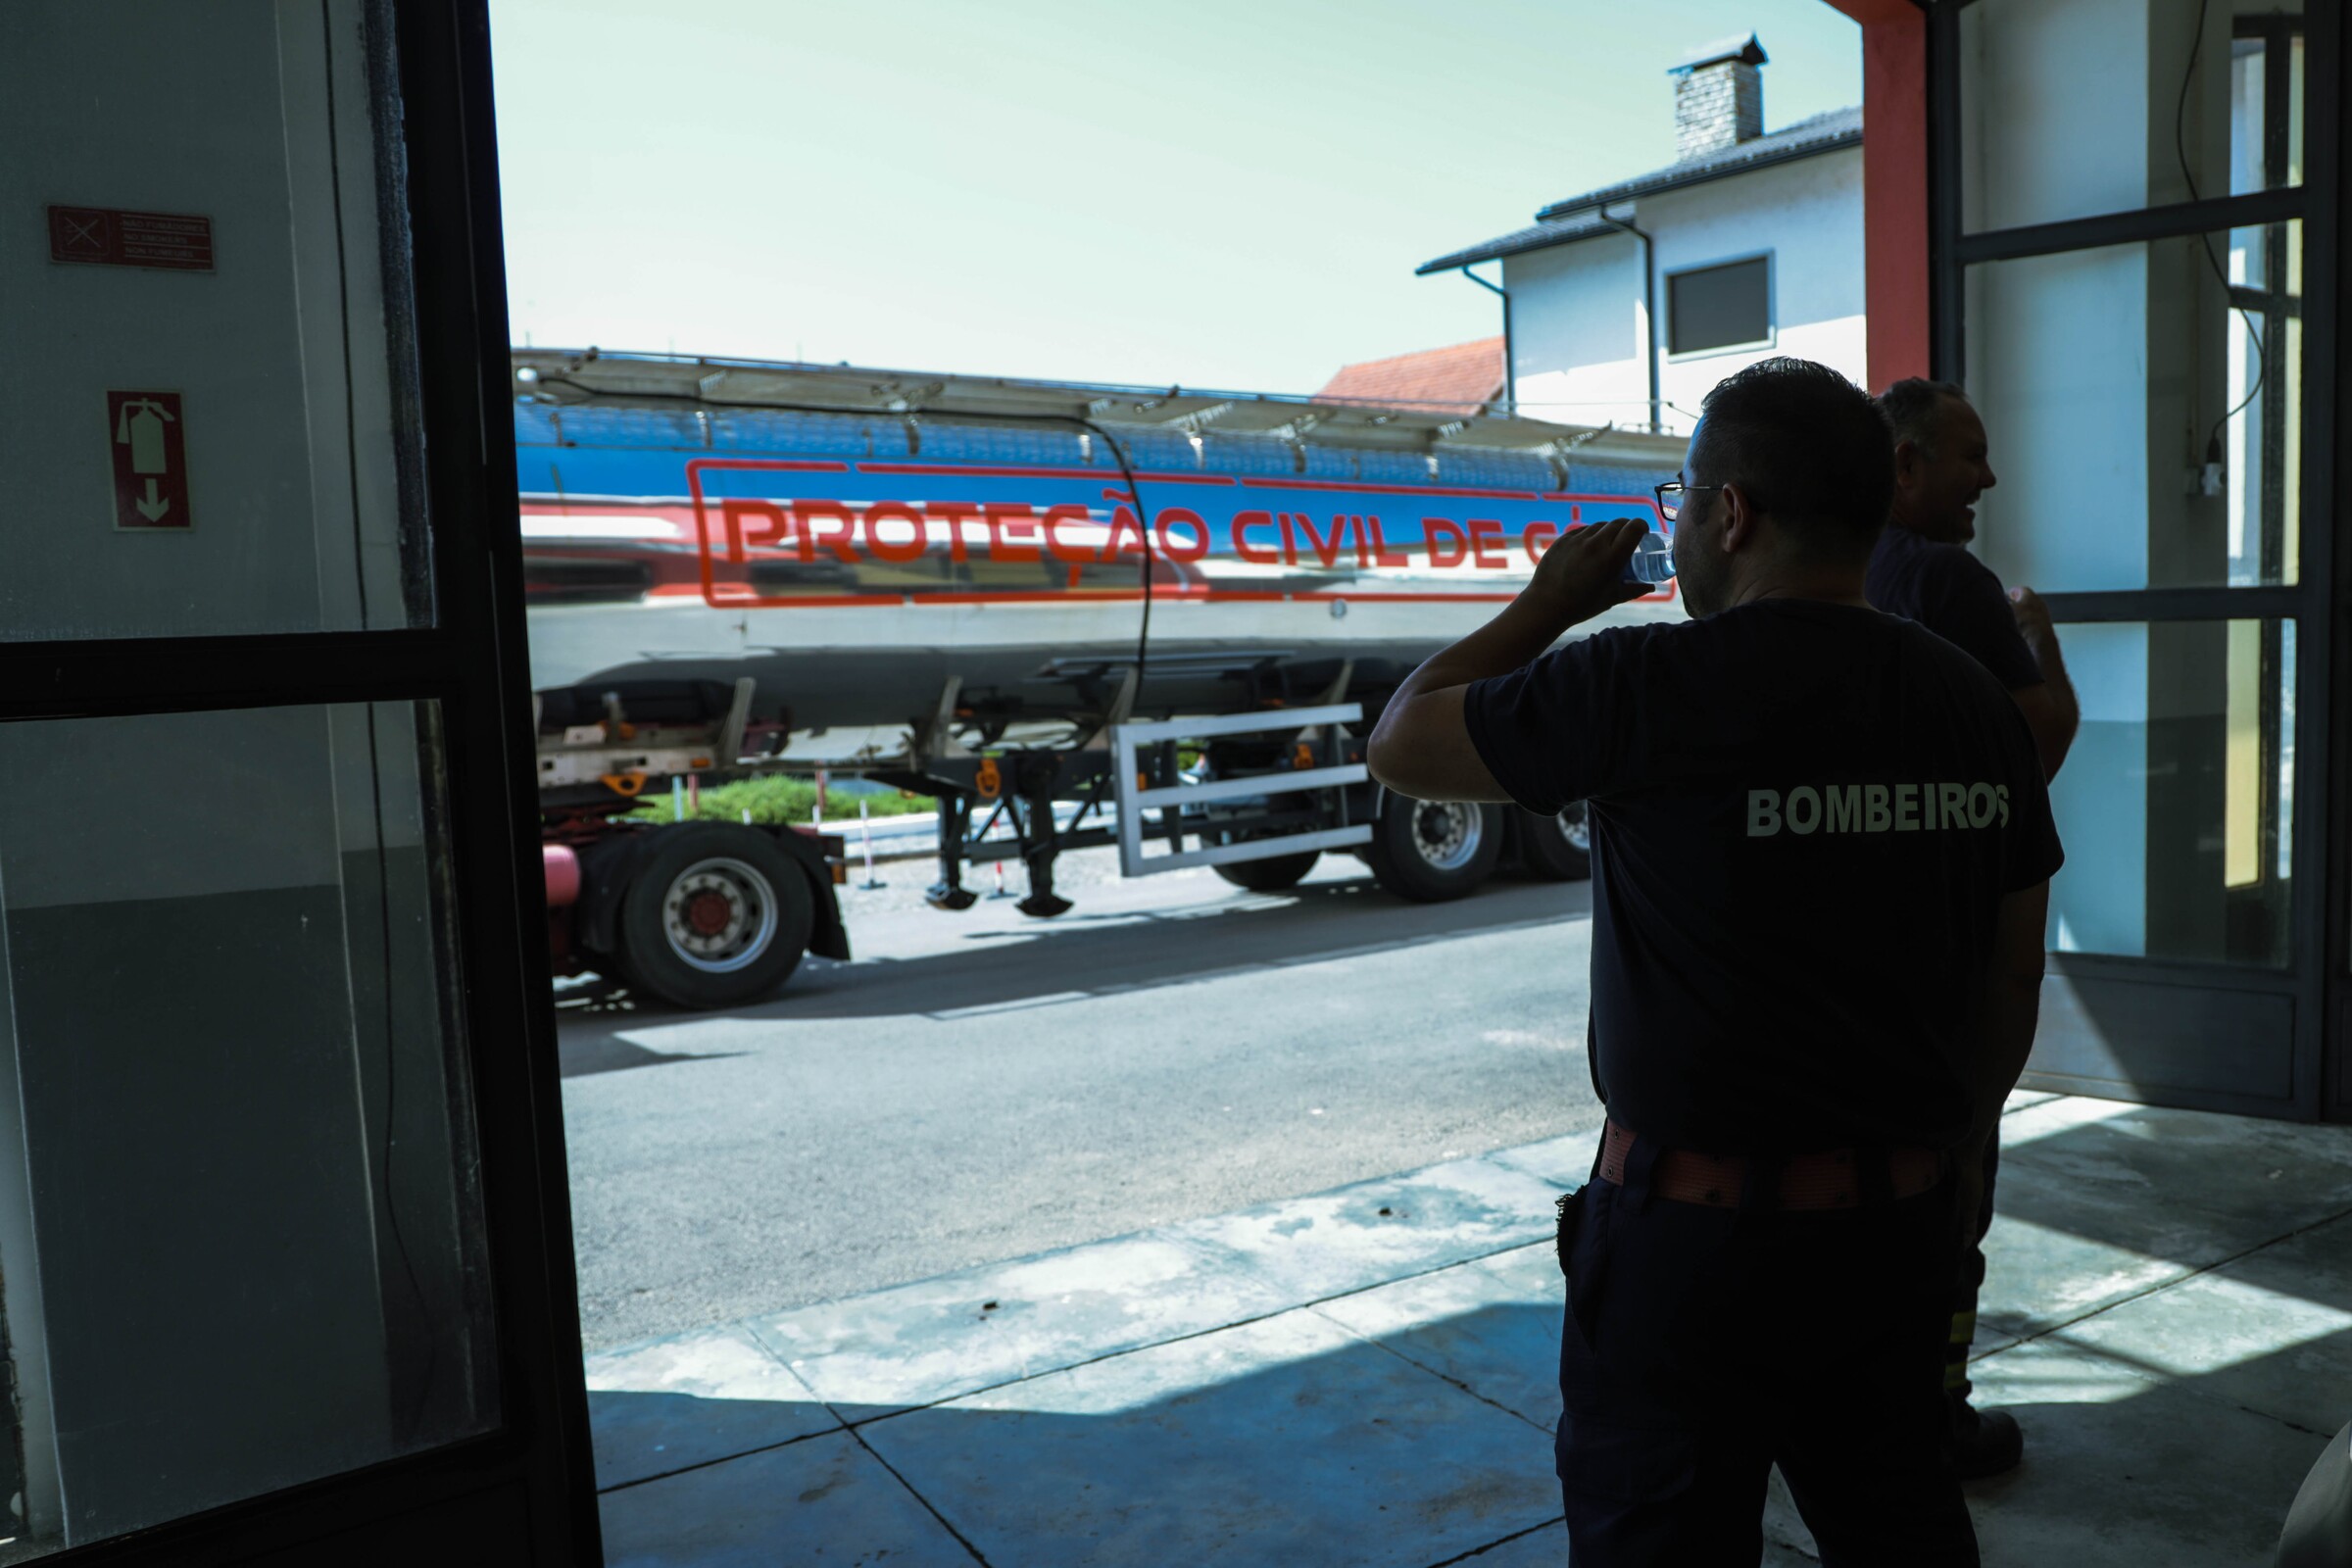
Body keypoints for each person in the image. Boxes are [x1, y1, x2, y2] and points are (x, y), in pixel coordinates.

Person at [1367, 357, 2059, 1565]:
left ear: (1730, 512)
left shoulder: (1642, 682)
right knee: (1899, 1527)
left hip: (1689, 1251)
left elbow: (1402, 741)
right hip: (1896, 1230)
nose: (1677, 526)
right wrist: (1947, 1154)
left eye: (1683, 499)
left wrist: (1547, 602)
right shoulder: (1973, 704)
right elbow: (2012, 973)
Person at [1870, 377, 2080, 1479]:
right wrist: (2042, 646)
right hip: (1936, 965)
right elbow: (2037, 744)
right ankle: (1933, 1419)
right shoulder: (1947, 581)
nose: (1987, 478)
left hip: (1821, 971)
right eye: (1969, 455)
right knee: (1945, 1211)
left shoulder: (1817, 579)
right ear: (1903, 464)